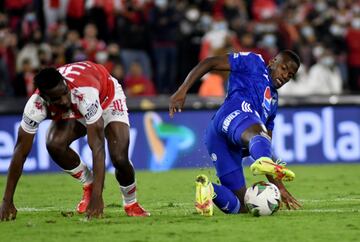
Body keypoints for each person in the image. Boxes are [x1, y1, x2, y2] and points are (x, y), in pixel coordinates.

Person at [0, 61, 150, 221]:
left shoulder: (84, 93)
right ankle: (89, 183)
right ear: (44, 98)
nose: (64, 100)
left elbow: (97, 147)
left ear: (64, 83)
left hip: (107, 97)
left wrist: (97, 198)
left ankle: (131, 203)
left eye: (64, 92)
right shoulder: (35, 106)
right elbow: (20, 151)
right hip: (78, 107)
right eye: (57, 98)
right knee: (54, 144)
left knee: (119, 157)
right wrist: (7, 200)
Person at [169, 50, 302, 215]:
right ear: (273, 61)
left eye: (289, 75)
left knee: (242, 206)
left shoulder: (273, 101)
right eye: (283, 69)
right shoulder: (253, 62)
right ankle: (262, 159)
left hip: (221, 142)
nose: (285, 76)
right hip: (232, 114)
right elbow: (210, 62)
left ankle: (208, 189)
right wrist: (183, 90)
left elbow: (264, 141)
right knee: (257, 131)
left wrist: (280, 187)